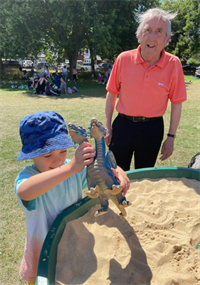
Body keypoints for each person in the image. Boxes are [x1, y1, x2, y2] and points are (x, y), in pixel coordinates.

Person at [14, 111, 129, 284]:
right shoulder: (30, 176)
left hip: (74, 246)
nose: (57, 161)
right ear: (31, 154)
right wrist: (69, 169)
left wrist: (118, 172)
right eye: (47, 155)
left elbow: (98, 170)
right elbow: (25, 192)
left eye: (63, 151)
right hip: (43, 254)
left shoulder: (73, 168)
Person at [105, 8, 187, 171]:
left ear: (167, 39)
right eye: (148, 29)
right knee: (116, 174)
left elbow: (176, 103)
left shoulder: (174, 64)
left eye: (159, 31)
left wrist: (171, 137)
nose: (152, 37)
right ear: (139, 34)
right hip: (122, 126)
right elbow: (112, 93)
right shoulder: (123, 59)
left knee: (143, 175)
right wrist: (108, 126)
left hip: (152, 129)